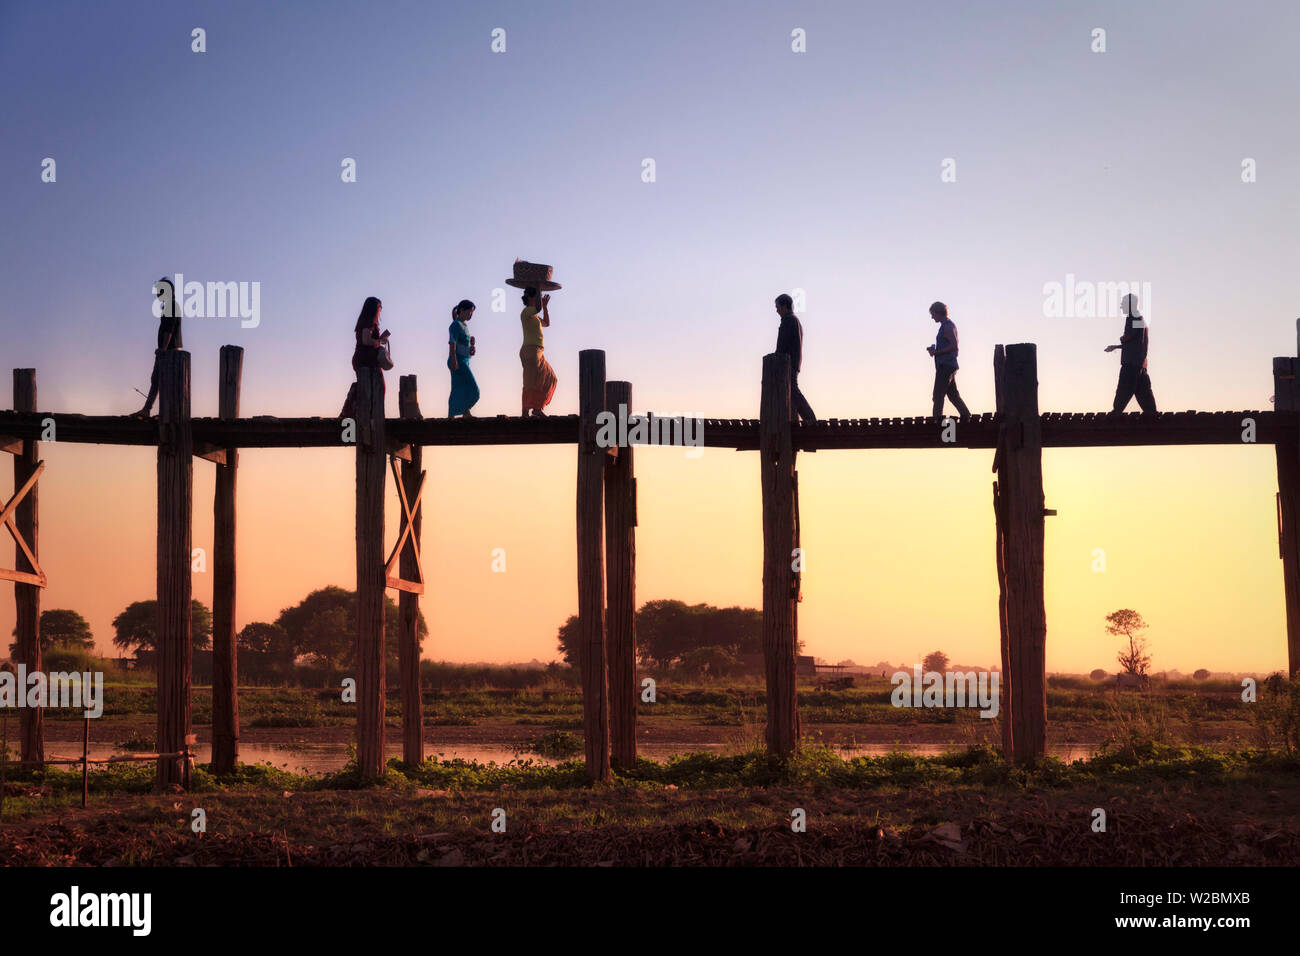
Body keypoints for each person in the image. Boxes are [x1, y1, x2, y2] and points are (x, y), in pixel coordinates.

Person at [134, 277, 182, 418]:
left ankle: (149, 410)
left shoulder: (171, 306)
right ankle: (156, 411)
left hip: (169, 352)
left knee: (158, 380)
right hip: (170, 351)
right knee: (160, 381)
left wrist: (163, 350)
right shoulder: (171, 305)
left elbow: (169, 330)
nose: (157, 295)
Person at [1105, 293, 1157, 415]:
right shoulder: (1140, 319)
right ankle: (1153, 417)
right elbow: (1137, 341)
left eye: (1123, 303)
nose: (1121, 306)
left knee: (1124, 388)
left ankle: (1115, 414)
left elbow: (1130, 336)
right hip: (1140, 364)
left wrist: (1122, 339)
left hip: (1131, 364)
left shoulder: (1134, 318)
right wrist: (1116, 347)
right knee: (1144, 393)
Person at [341, 296, 389, 418]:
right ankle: (365, 417)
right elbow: (366, 340)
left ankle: (360, 414)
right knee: (375, 389)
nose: (381, 310)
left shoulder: (365, 321)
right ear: (374, 309)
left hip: (364, 360)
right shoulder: (368, 321)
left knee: (369, 390)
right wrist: (380, 341)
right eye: (380, 307)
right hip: (366, 361)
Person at [774, 293, 816, 423]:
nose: (776, 310)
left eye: (778, 307)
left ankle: (810, 420)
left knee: (792, 391)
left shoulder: (788, 320)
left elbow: (782, 344)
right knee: (791, 392)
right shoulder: (794, 320)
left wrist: (775, 357)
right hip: (794, 362)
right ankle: (799, 420)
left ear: (784, 306)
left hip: (788, 363)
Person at [927, 301, 971, 421]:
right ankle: (966, 415)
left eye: (933, 314)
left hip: (946, 365)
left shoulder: (947, 326)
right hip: (948, 365)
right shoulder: (946, 325)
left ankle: (936, 420)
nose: (932, 317)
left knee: (938, 395)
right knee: (952, 395)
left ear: (938, 312)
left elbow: (954, 346)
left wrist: (936, 352)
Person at [518, 287, 558, 417]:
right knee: (531, 381)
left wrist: (545, 306)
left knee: (550, 378)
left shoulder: (534, 316)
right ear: (531, 297)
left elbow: (546, 323)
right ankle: (525, 410)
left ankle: (537, 407)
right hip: (531, 350)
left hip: (538, 352)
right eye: (537, 297)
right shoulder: (526, 312)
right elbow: (538, 308)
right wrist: (538, 286)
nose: (539, 300)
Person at [447, 299, 480, 417]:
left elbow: (465, 346)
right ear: (462, 310)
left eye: (472, 313)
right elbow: (452, 343)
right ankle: (453, 413)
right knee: (472, 389)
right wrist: (454, 359)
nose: (471, 315)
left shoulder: (464, 325)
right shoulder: (455, 325)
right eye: (469, 312)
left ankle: (464, 412)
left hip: (464, 361)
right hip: (457, 361)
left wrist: (472, 348)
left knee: (462, 388)